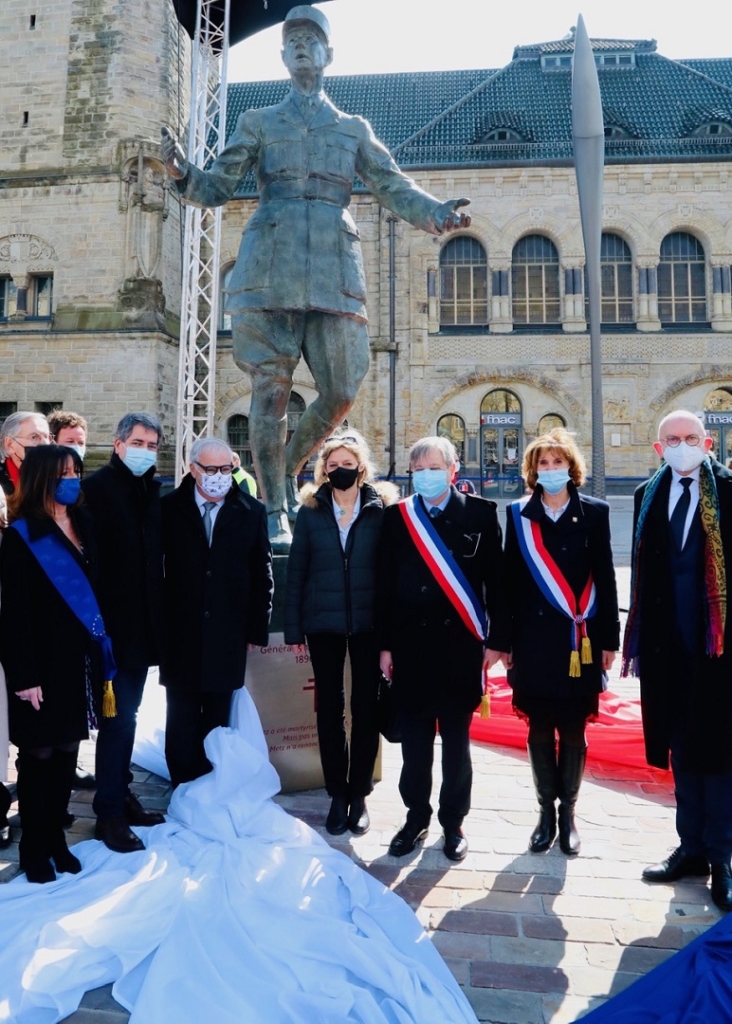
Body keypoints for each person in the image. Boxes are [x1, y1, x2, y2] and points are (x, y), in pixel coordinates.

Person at [161, 5, 471, 549]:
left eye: (312, 39)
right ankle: (276, 506)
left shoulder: (353, 128)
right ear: (283, 56)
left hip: (334, 269)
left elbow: (393, 185)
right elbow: (217, 187)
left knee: (342, 389)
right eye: (293, 40)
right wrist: (183, 172)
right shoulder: (258, 121)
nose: (302, 46)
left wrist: (436, 213)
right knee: (270, 391)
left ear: (329, 53)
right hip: (269, 265)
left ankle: (277, 477)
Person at [378, 436, 508, 862]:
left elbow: (497, 584)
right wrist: (384, 645)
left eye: (434, 467)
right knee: (414, 743)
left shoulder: (480, 515)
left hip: (460, 648)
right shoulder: (398, 518)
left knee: (456, 743)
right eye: (418, 469)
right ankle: (415, 818)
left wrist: (497, 640)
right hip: (411, 647)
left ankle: (453, 823)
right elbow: (385, 586)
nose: (426, 475)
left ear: (453, 471)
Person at [623, 409, 732, 912]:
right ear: (658, 447)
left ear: (708, 443)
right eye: (673, 439)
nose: (683, 445)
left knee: (722, 755)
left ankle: (722, 856)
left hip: (721, 649)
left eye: (691, 437)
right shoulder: (647, 497)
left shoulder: (729, 493)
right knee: (682, 751)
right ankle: (690, 848)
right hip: (668, 650)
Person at [504, 429, 619, 856]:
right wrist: (506, 641)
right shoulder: (518, 515)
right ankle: (544, 814)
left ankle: (568, 813)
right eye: (543, 464)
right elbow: (509, 585)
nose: (551, 470)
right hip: (533, 640)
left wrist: (610, 638)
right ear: (532, 471)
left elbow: (605, 579)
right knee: (538, 727)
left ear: (572, 466)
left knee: (572, 726)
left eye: (558, 462)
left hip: (581, 638)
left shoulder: (596, 512)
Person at [0, 445, 108, 882]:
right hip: (39, 664)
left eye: (76, 471)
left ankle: (57, 840)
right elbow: (15, 614)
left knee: (66, 750)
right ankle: (33, 846)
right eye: (63, 472)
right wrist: (24, 676)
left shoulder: (84, 523)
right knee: (38, 753)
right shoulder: (23, 534)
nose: (72, 479)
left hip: (78, 661)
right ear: (43, 477)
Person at [284, 430, 398, 836]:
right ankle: (337, 792)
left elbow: (392, 574)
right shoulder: (312, 511)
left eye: (347, 464)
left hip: (369, 623)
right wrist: (294, 626)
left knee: (366, 708)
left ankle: (359, 793)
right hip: (323, 623)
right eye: (332, 466)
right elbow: (297, 571)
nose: (340, 471)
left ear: (362, 467)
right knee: (329, 710)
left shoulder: (383, 509)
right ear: (323, 470)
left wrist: (391, 633)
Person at [160, 437, 273, 788]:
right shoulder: (168, 508)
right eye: (211, 469)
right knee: (181, 713)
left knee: (218, 713)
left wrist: (257, 629)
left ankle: (213, 783)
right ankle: (183, 783)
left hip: (229, 630)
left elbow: (262, 573)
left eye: (226, 469)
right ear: (193, 469)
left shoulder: (250, 511)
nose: (219, 476)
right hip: (180, 629)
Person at [82, 412, 166, 853]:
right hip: (110, 630)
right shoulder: (94, 491)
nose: (145, 452)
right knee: (116, 722)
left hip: (143, 629)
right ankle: (109, 814)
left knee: (128, 718)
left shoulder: (152, 489)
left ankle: (122, 792)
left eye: (153, 445)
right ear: (118, 444)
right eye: (139, 442)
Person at [0, 411, 52, 496]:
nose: (45, 443)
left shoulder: (57, 476)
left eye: (46, 436)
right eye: (34, 437)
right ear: (9, 444)